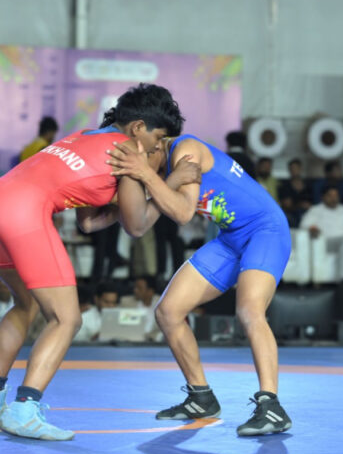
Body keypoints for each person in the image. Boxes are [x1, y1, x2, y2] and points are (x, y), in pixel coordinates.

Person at [0, 83, 193, 441]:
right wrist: (168, 180)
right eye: (159, 138)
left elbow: (88, 222)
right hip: (22, 210)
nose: (158, 148)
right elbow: (136, 226)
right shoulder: (129, 152)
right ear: (138, 128)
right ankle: (24, 409)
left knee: (25, 304)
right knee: (67, 318)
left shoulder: (85, 135)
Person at [106, 128, 293, 437]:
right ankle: (201, 397)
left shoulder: (187, 150)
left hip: (265, 231)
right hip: (231, 239)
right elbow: (137, 219)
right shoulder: (159, 168)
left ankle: (271, 406)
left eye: (141, 159)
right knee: (168, 312)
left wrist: (147, 176)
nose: (139, 169)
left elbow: (182, 213)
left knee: (249, 310)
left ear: (155, 144)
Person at [121, 275, 162, 341]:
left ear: (150, 291)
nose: (135, 290)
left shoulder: (161, 303)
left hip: (156, 341)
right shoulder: (126, 303)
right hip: (132, 340)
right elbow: (124, 325)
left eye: (139, 288)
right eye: (135, 287)